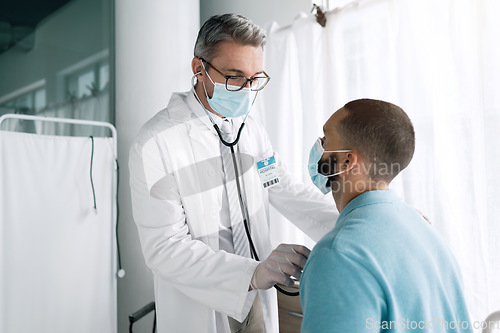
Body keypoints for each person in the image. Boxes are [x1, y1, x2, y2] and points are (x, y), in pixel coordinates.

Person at [129, 14, 337, 333]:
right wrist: (250, 273)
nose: (247, 90)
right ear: (199, 70)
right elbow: (165, 247)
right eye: (235, 77)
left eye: (255, 79)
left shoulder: (251, 131)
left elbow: (284, 188)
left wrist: (358, 219)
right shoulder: (156, 142)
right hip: (202, 299)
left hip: (254, 292)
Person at [300, 99, 472, 332]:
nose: (318, 146)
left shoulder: (338, 255)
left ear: (348, 160)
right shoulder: (426, 233)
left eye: (326, 139)